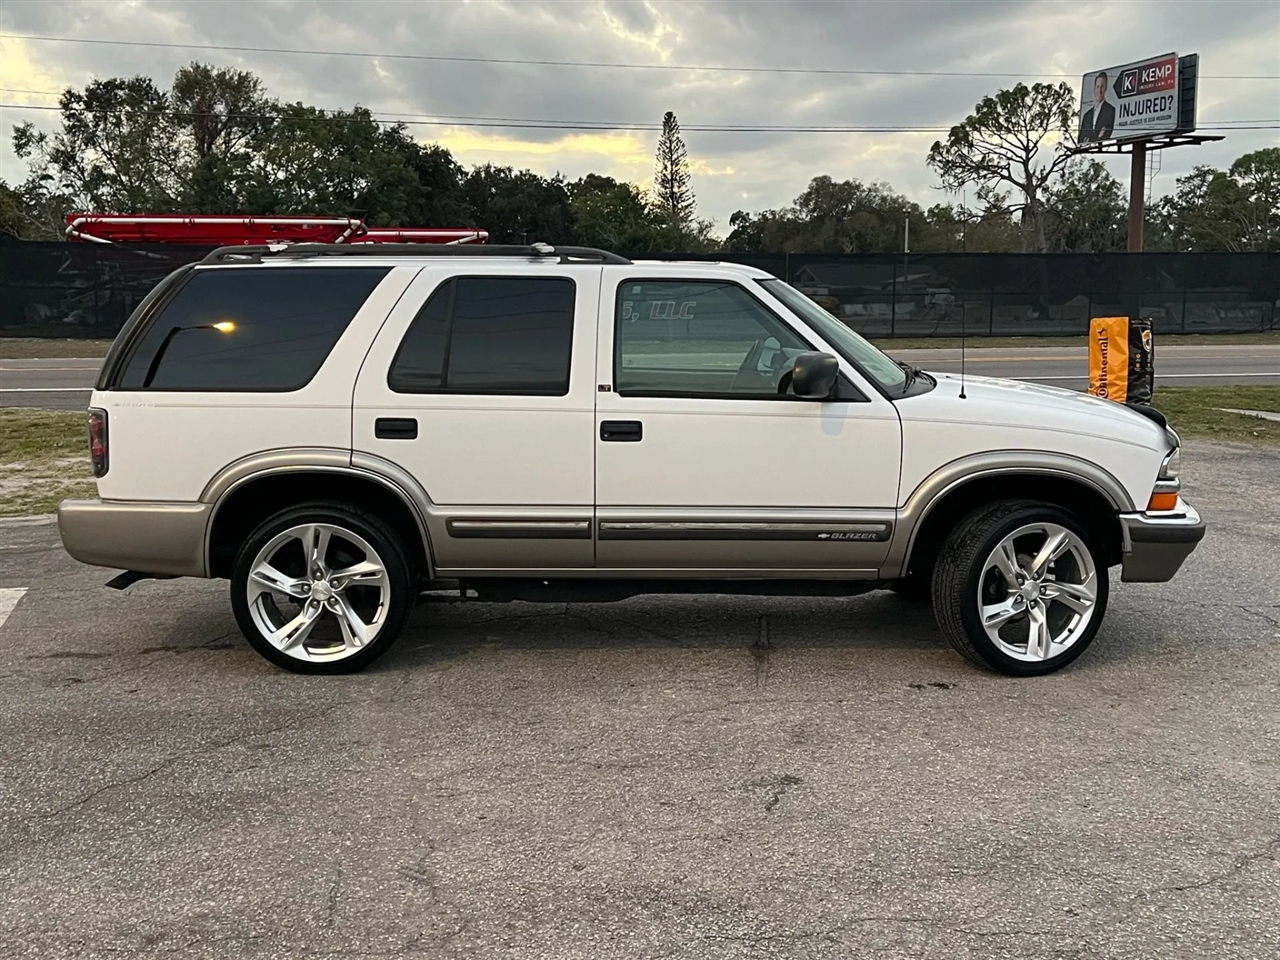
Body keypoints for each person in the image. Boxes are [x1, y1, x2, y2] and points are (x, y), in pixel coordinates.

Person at [1079, 72, 1116, 142]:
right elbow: (1081, 139)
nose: (1099, 91)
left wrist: (1089, 139)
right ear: (1094, 88)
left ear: (1106, 88)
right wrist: (1097, 137)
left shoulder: (1110, 110)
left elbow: (1106, 135)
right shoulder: (1086, 115)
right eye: (1097, 87)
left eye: (1102, 87)